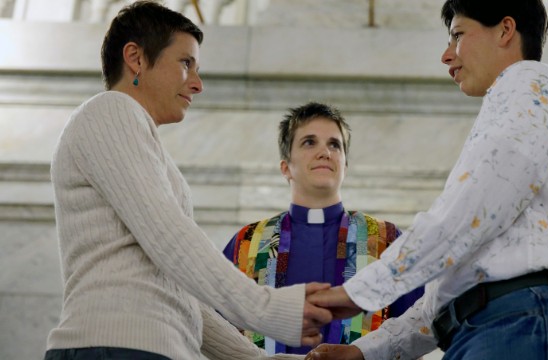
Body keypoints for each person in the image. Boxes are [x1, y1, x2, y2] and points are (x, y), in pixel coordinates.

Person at [306, 0, 548, 359]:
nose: (447, 56)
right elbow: (458, 282)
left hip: (529, 323)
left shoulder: (531, 82)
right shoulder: (513, 108)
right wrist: (366, 351)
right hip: (513, 325)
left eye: (457, 35)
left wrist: (360, 292)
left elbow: (474, 208)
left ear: (506, 30)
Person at [43, 2, 332, 360]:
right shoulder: (109, 110)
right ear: (135, 57)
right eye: (186, 63)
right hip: (114, 348)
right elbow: (168, 234)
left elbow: (178, 292)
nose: (197, 84)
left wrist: (259, 359)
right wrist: (270, 308)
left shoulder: (141, 141)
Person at [222, 102, 424, 355]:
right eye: (309, 142)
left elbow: (416, 328)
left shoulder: (387, 239)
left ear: (345, 167)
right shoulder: (246, 243)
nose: (324, 152)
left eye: (334, 144)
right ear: (286, 167)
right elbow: (216, 327)